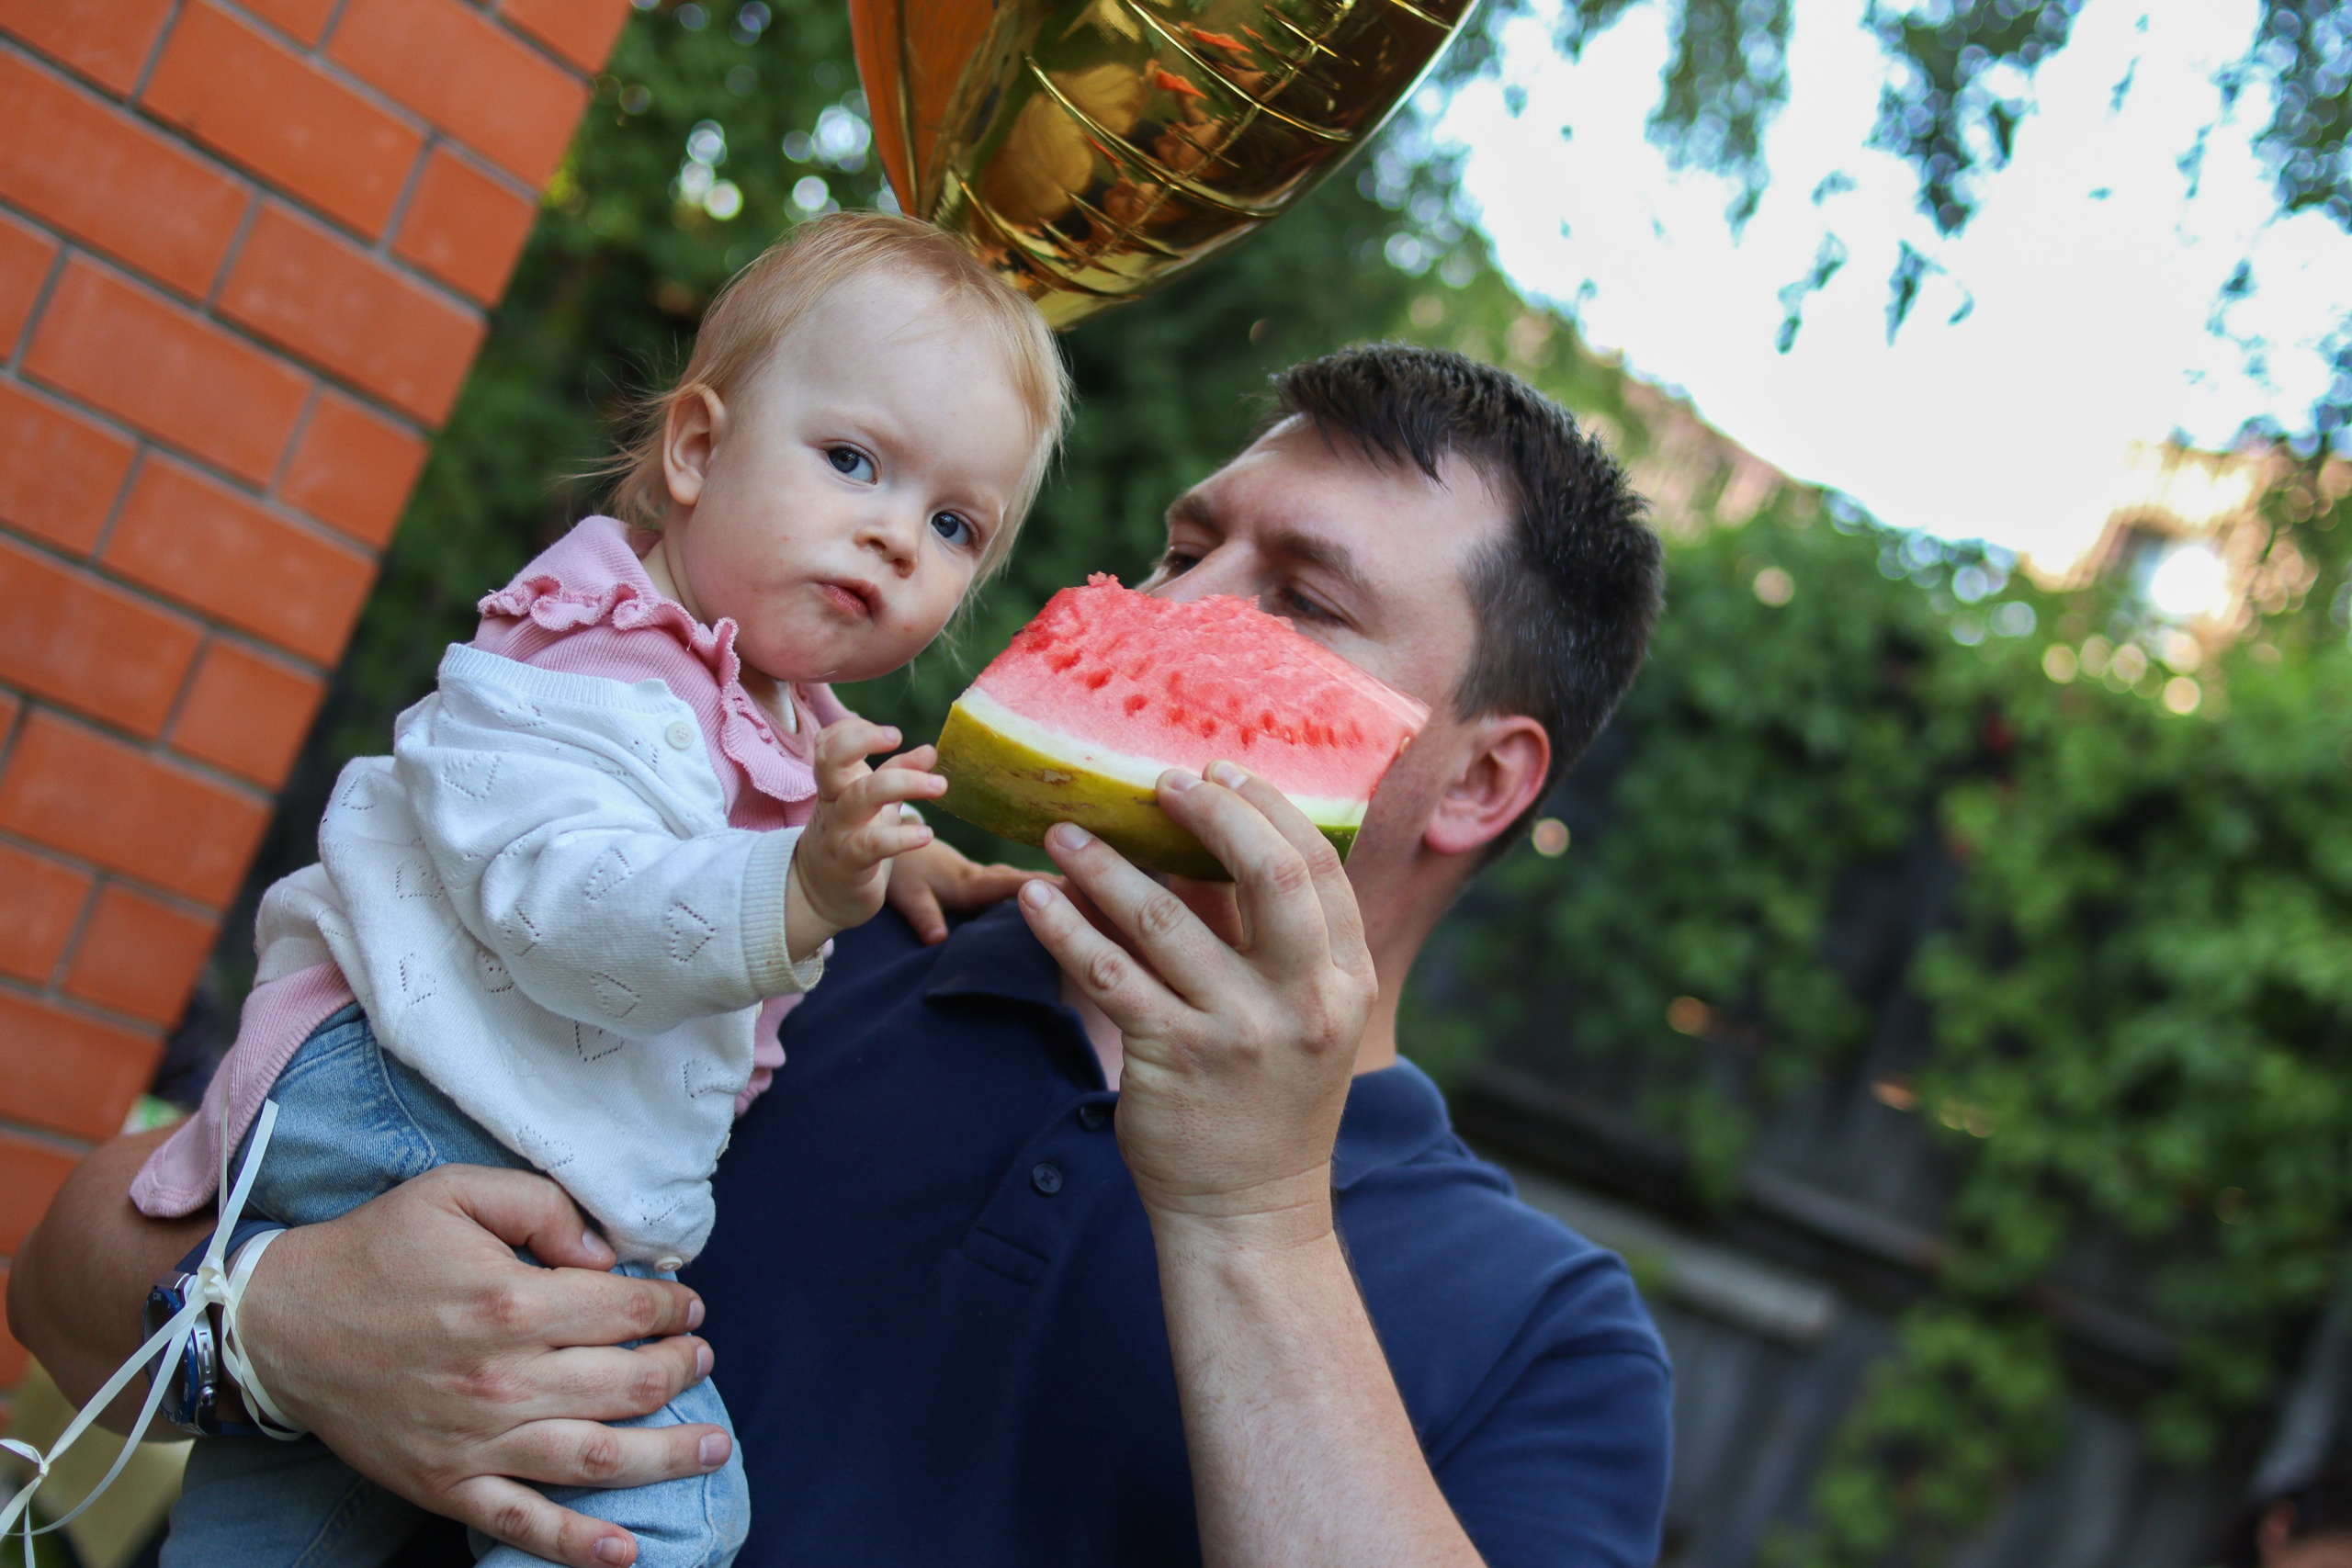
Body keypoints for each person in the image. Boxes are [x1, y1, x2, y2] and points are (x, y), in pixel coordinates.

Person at [11, 343, 1675, 1568]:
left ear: (1478, 780)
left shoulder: (1546, 1338)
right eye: (1184, 550)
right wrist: (270, 1332)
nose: (1174, 615)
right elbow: (66, 1278)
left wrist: (1246, 1216)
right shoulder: (782, 923)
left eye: (1300, 598)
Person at [110, 210, 1069, 1568]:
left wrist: (895, 851)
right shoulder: (585, 651)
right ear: (694, 448)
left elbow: (751, 793)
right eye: (854, 461)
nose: (896, 536)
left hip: (466, 1106)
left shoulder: (768, 709)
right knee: (663, 1504)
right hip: (417, 1091)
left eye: (956, 522)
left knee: (301, 1508)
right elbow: (566, 898)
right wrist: (794, 888)